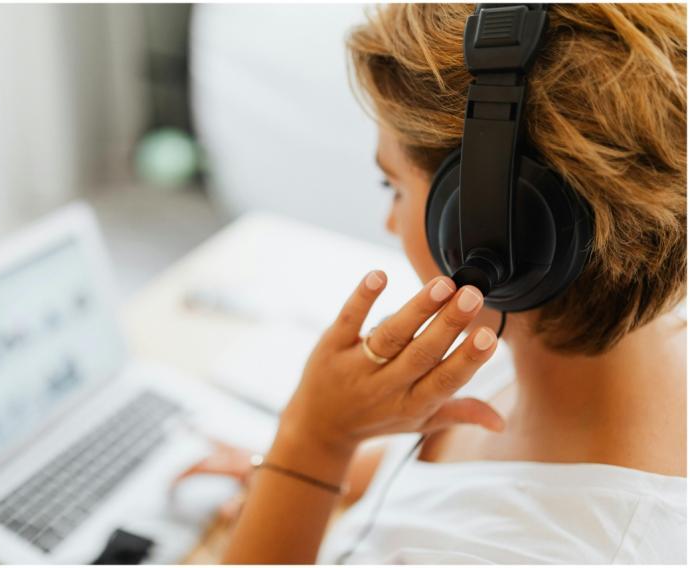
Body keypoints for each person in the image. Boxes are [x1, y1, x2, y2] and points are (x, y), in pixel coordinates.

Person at [176, 4, 686, 563]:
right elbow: (453, 472)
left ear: (497, 225)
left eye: (391, 185)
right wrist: (290, 476)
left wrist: (312, 442)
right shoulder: (575, 345)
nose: (389, 222)